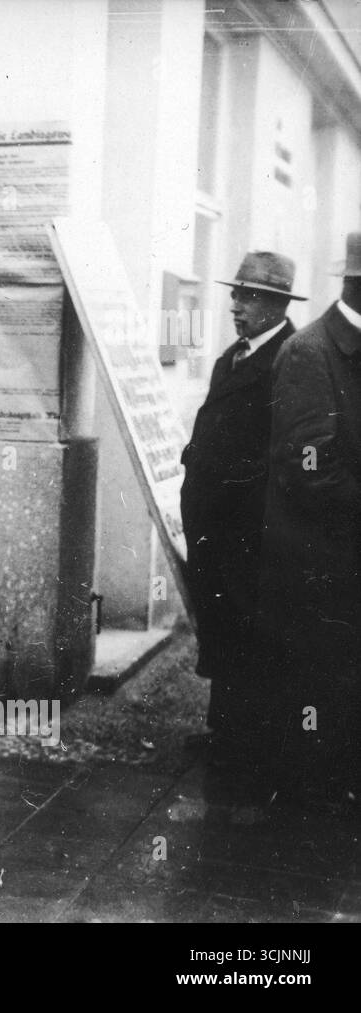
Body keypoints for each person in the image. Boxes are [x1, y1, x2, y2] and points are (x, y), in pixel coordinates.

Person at [180, 251, 300, 770]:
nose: (235, 304)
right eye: (235, 293)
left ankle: (248, 742)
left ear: (276, 304)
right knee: (221, 622)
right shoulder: (233, 356)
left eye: (248, 296)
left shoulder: (291, 361)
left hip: (249, 528)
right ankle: (224, 728)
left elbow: (285, 451)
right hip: (214, 525)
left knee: (248, 626)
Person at [258, 233, 361, 810]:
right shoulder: (311, 353)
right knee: (316, 691)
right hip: (316, 563)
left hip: (343, 555)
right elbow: (309, 463)